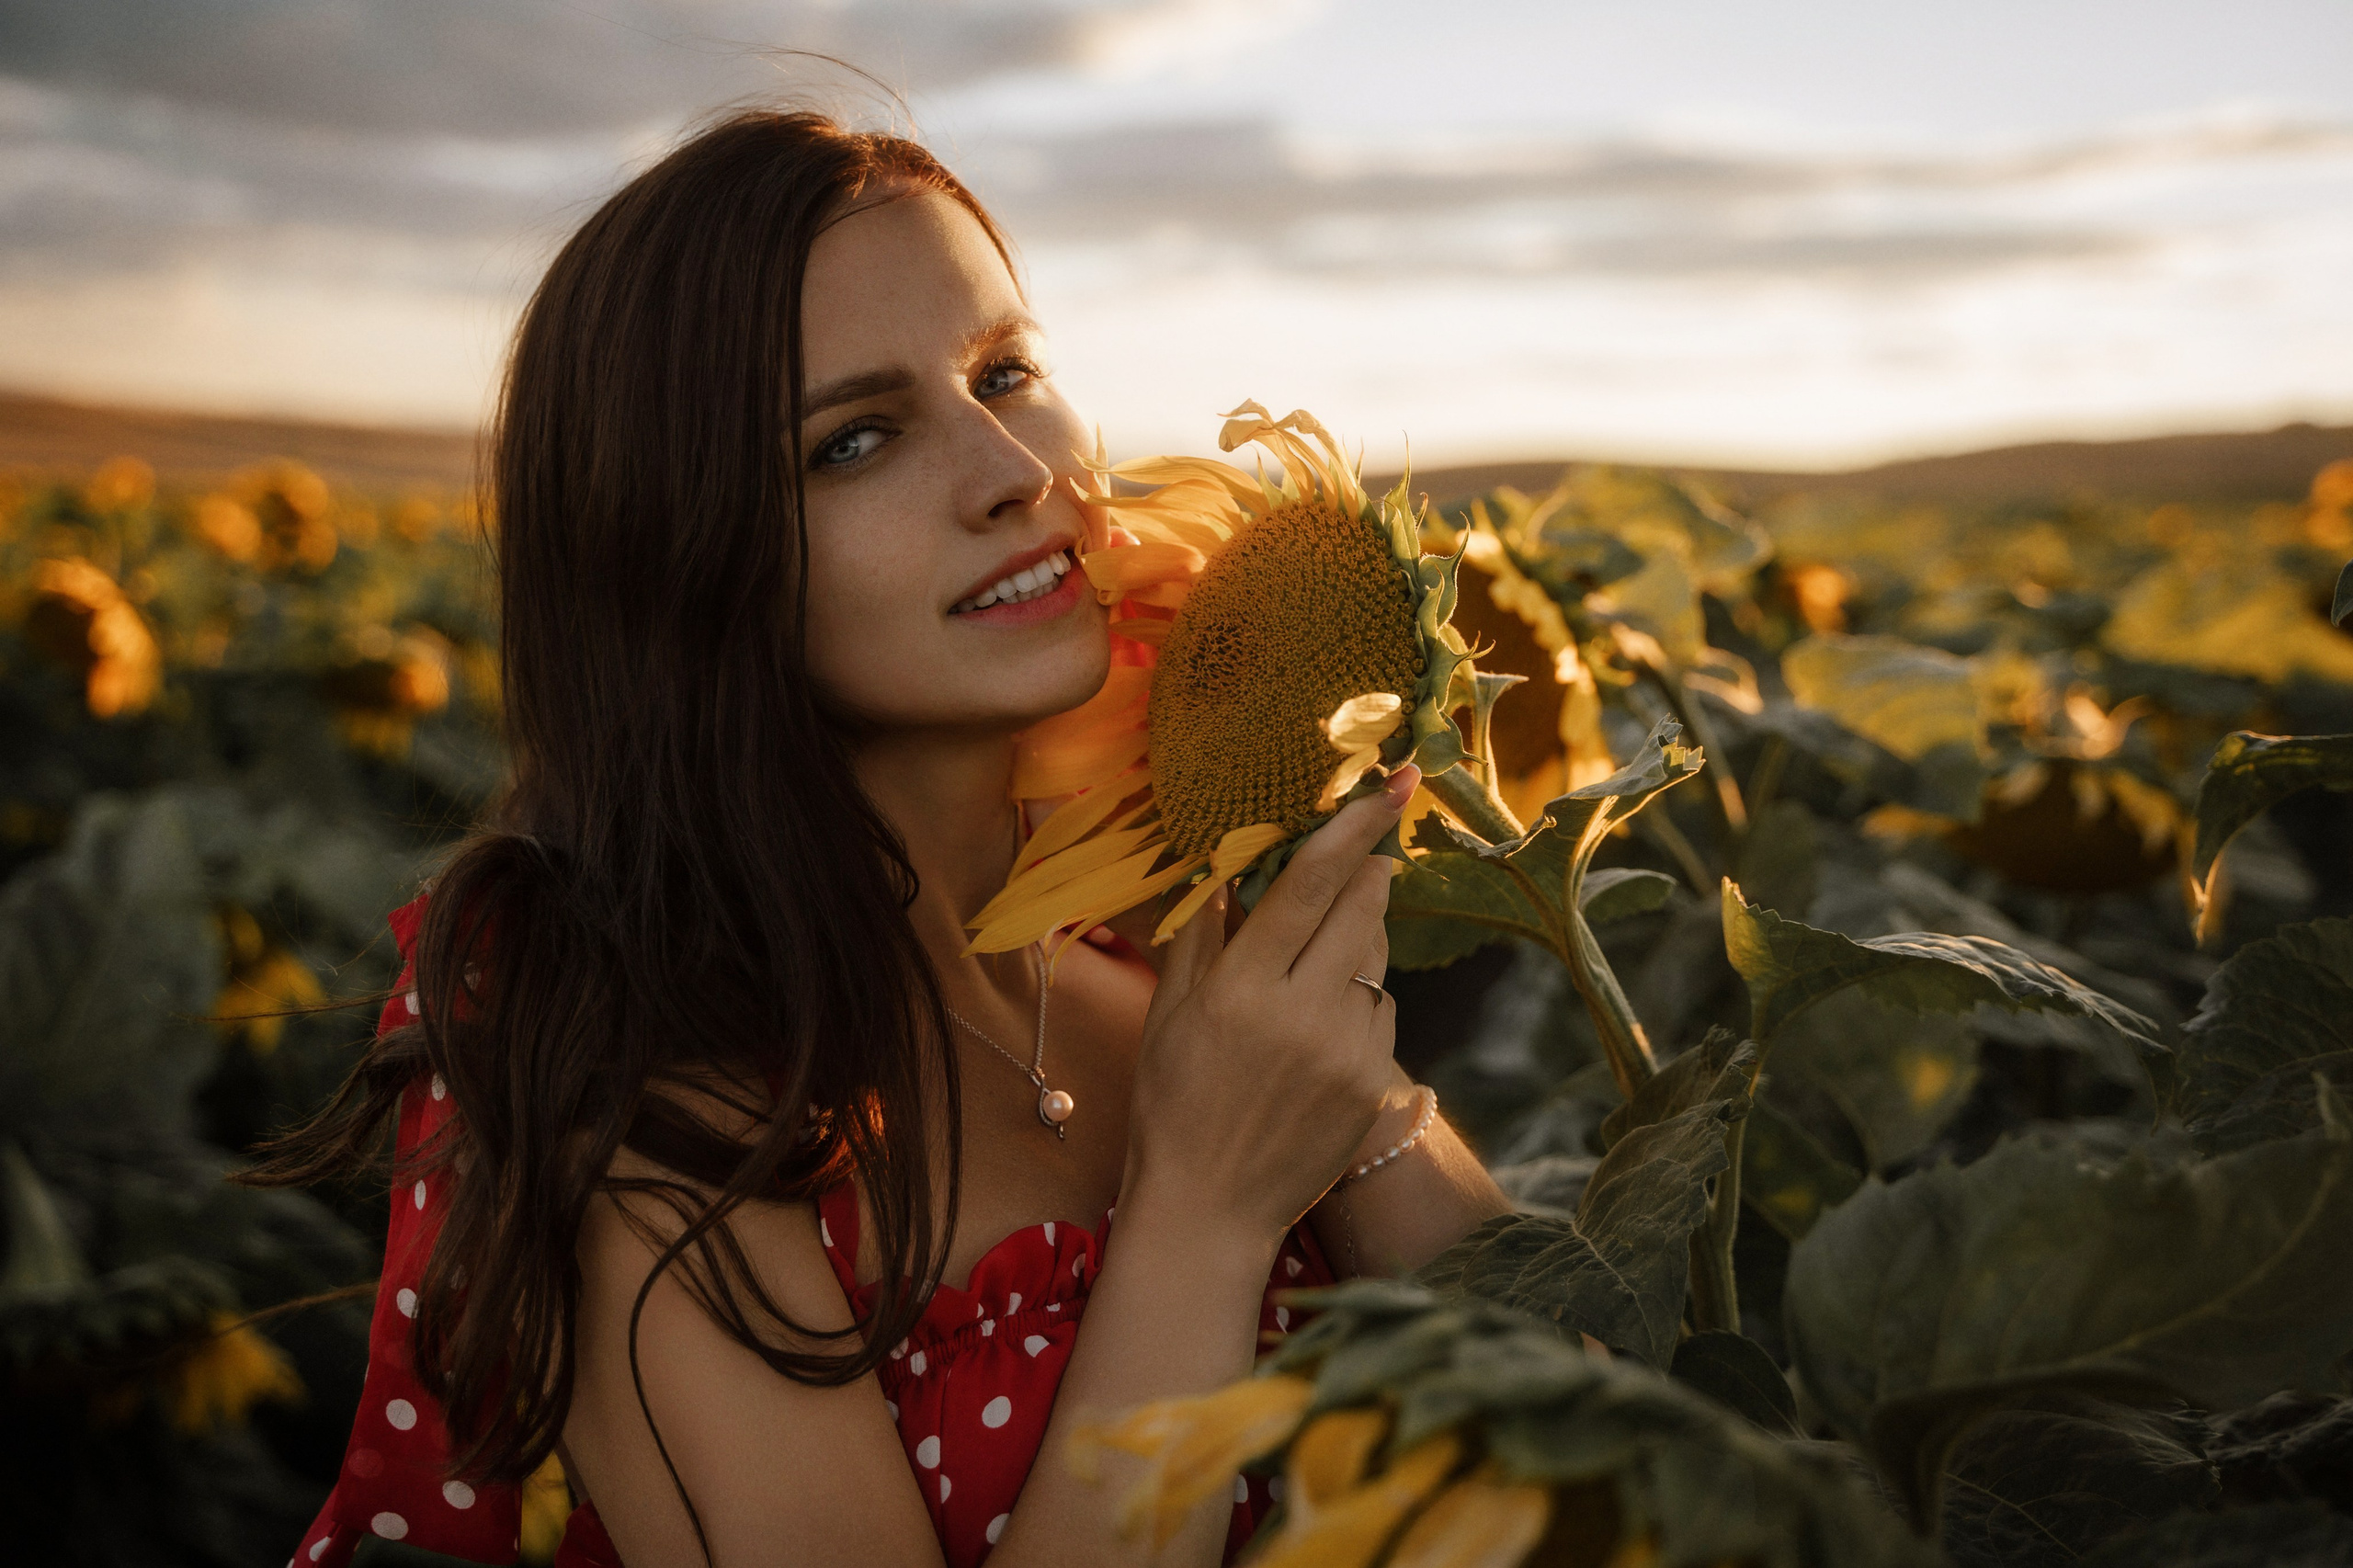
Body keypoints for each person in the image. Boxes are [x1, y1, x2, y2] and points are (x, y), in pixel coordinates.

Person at [250, 108, 1511, 1568]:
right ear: (685, 557)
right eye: (854, 440)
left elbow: (1603, 1471)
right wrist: (1210, 1208)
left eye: (1006, 372)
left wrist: (1335, 1080)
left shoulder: (1149, 938)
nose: (1010, 469)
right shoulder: (654, 1103)